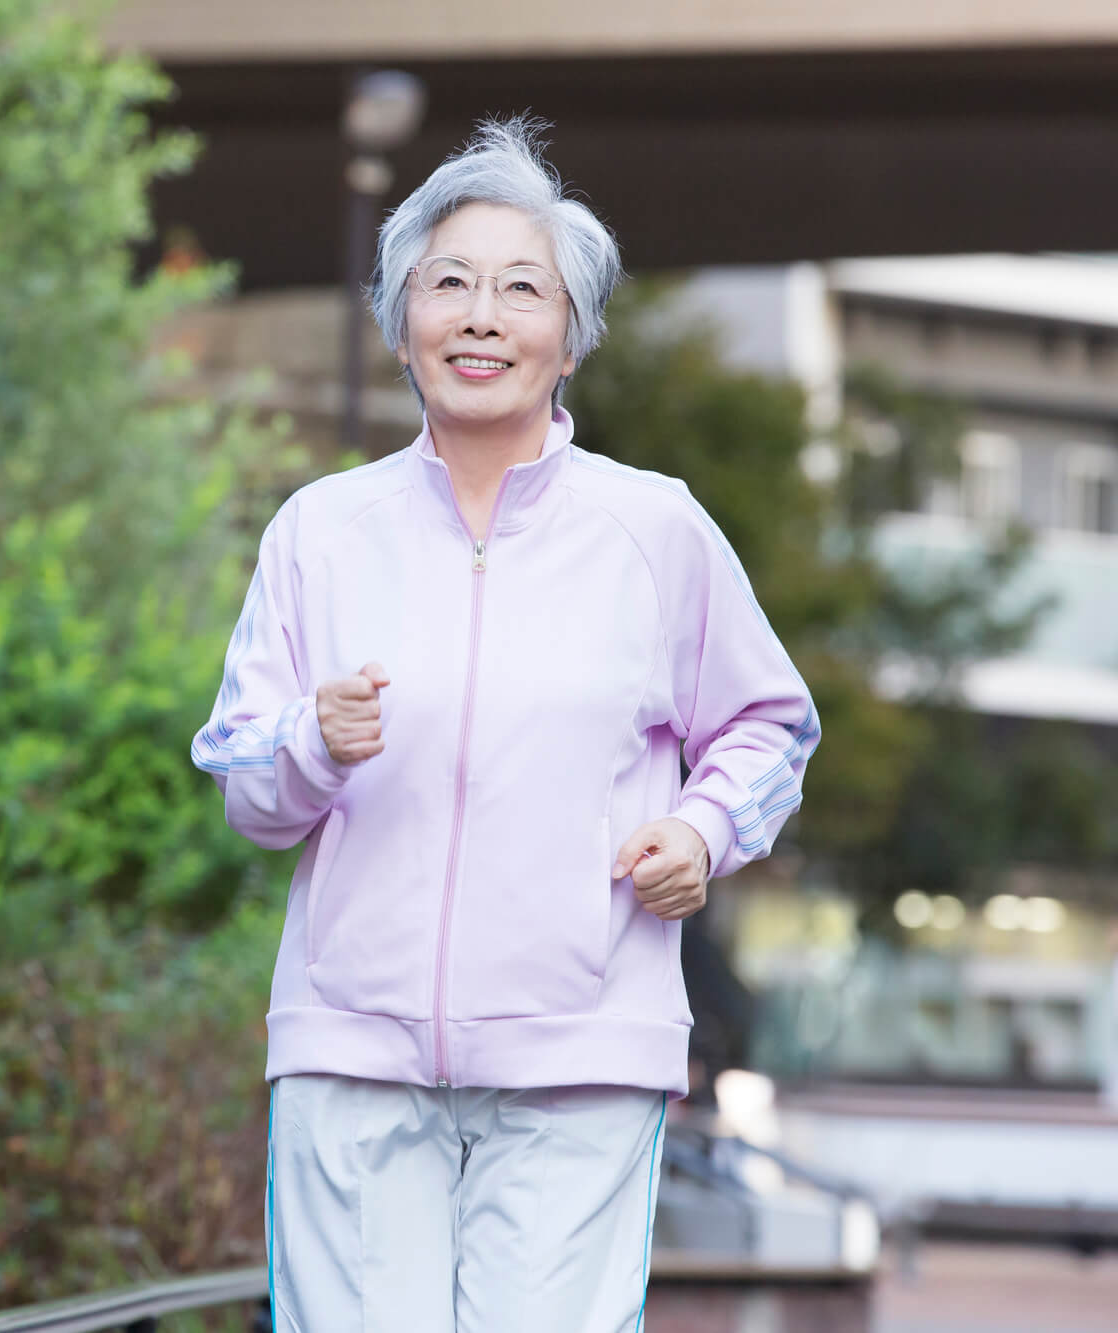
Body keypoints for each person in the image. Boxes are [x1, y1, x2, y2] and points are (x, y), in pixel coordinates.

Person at [191, 115, 819, 1331]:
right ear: (400, 320)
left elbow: (765, 724)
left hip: (580, 1055)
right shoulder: (318, 532)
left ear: (569, 337)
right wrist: (313, 741)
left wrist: (699, 830)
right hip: (350, 1057)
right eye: (447, 285)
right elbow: (246, 790)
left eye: (519, 288)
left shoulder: (656, 531)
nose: (480, 315)